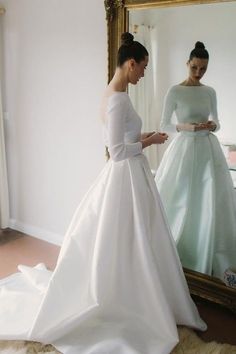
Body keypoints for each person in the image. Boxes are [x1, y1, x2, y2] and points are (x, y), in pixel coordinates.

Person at [0, 33, 206, 354]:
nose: (143, 73)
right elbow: (117, 151)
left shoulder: (116, 93)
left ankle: (138, 291)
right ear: (130, 63)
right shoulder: (118, 98)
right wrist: (148, 143)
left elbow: (124, 135)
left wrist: (144, 134)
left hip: (131, 176)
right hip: (125, 176)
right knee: (130, 239)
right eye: (143, 68)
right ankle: (130, 299)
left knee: (133, 239)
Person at [155, 41, 236, 279]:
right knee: (180, 199)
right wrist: (188, 127)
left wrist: (212, 125)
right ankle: (180, 255)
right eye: (194, 68)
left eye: (203, 69)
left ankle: (210, 254)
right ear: (187, 64)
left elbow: (217, 121)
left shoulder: (209, 91)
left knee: (208, 200)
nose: (199, 73)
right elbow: (164, 125)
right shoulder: (175, 91)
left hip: (208, 148)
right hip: (184, 147)